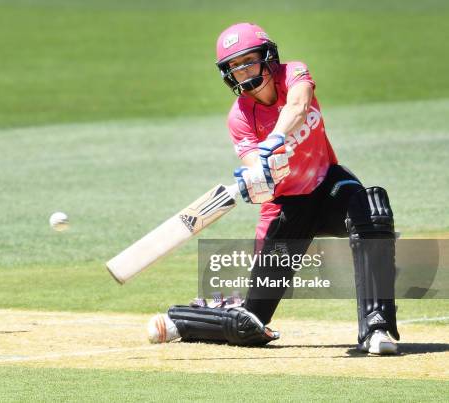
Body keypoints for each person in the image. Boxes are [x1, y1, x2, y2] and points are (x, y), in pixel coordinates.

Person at [147, 23, 399, 355]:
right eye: (234, 67)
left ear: (268, 57)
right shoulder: (239, 117)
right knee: (250, 323)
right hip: (289, 208)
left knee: (372, 207)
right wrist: (260, 178)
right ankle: (186, 320)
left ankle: (376, 329)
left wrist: (275, 141)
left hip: (330, 185)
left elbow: (298, 106)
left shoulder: (293, 72)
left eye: (248, 60)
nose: (242, 70)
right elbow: (255, 166)